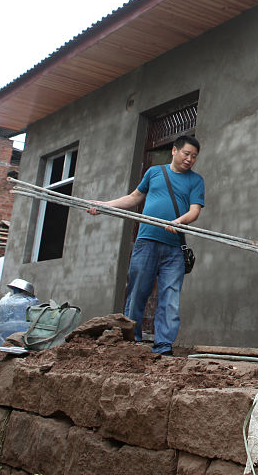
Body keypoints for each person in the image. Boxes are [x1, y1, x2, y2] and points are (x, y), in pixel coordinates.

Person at [91, 134, 205, 355]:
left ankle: (163, 347)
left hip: (174, 248)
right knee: (136, 293)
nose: (190, 159)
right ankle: (131, 342)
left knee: (170, 298)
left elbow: (195, 211)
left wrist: (179, 222)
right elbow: (134, 197)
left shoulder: (196, 180)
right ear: (174, 151)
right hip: (146, 243)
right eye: (186, 154)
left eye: (194, 157)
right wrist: (105, 206)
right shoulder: (154, 173)